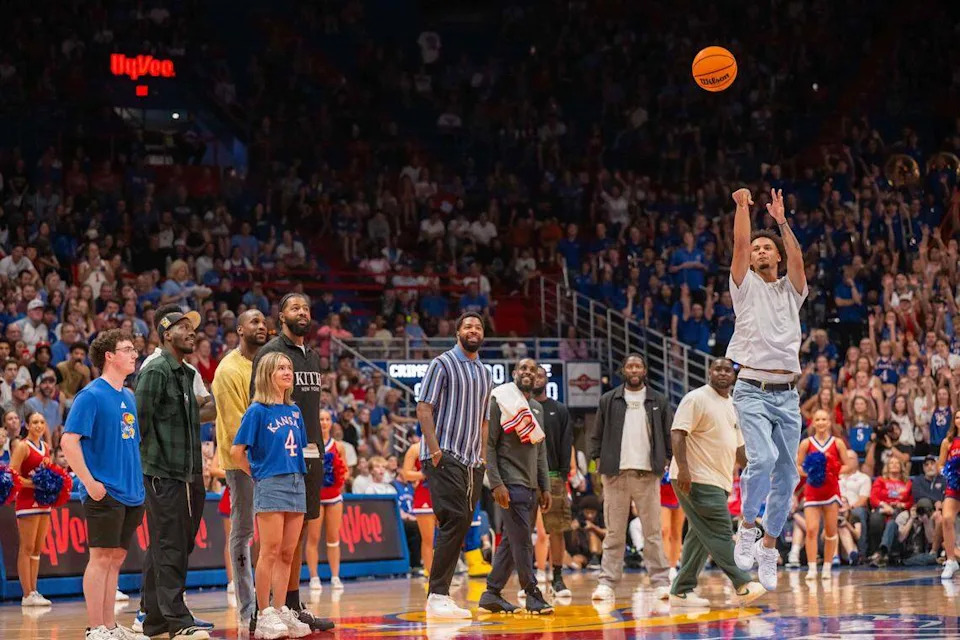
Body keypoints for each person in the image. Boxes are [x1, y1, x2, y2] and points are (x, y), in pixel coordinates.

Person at [727, 188, 808, 592]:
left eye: (766, 248)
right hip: (751, 388)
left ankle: (770, 547)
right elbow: (740, 243)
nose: (759, 251)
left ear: (775, 257)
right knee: (762, 459)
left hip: (787, 393)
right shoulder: (744, 287)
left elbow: (797, 258)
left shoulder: (792, 291)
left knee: (787, 473)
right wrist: (743, 207)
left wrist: (781, 221)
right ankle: (746, 529)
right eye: (756, 248)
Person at [250, 293, 333, 633]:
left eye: (306, 307)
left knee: (295, 538)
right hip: (278, 460)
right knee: (271, 542)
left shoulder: (312, 355)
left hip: (310, 454)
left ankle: (290, 604)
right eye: (295, 307)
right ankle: (262, 609)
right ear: (281, 315)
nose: (302, 312)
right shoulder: (271, 353)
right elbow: (257, 403)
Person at [61, 329, 148, 640]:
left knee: (116, 558)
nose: (134, 354)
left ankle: (110, 626)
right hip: (104, 490)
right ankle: (95, 628)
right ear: (109, 356)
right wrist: (89, 481)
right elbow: (69, 441)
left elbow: (131, 444)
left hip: (131, 492)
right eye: (127, 349)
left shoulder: (128, 396)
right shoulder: (91, 395)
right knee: (100, 558)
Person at [135, 307, 211, 640]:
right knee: (170, 546)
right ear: (166, 333)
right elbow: (139, 421)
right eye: (183, 327)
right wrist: (146, 468)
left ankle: (153, 620)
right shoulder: (156, 369)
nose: (191, 332)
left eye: (192, 328)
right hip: (163, 472)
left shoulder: (184, 372)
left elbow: (210, 408)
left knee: (171, 544)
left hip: (188, 471)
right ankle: (177, 619)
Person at [668, 358, 765, 608]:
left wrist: (758, 469)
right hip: (695, 478)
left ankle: (681, 590)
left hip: (719, 480)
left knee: (699, 535)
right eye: (717, 369)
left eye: (727, 370)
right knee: (720, 529)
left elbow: (739, 448)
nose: (722, 373)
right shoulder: (696, 398)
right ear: (709, 372)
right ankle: (742, 583)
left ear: (734, 376)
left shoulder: (733, 405)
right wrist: (684, 470)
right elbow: (678, 433)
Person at [416, 311, 494, 619]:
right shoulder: (442, 364)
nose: (473, 330)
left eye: (478, 326)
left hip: (473, 460)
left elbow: (485, 420)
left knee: (461, 523)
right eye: (468, 326)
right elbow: (424, 408)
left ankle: (440, 594)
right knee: (456, 518)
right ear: (457, 332)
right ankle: (437, 595)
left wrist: (484, 457)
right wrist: (435, 451)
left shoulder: (486, 373)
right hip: (445, 453)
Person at [231, 352, 312, 640]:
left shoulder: (294, 411)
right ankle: (263, 612)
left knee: (289, 552)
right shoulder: (257, 411)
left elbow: (298, 447)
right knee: (270, 550)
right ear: (267, 374)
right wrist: (257, 474)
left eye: (289, 367)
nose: (287, 372)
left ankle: (280, 609)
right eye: (281, 368)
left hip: (296, 482)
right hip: (271, 483)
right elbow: (236, 451)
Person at [588, 353, 673, 602]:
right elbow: (596, 435)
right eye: (629, 366)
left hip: (648, 474)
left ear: (644, 370)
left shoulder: (658, 400)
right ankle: (607, 583)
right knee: (614, 532)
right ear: (623, 370)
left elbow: (668, 435)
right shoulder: (609, 399)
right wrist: (598, 462)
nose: (634, 370)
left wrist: (666, 459)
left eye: (638, 366)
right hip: (616, 474)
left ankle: (660, 581)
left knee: (653, 532)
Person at [478, 358, 553, 615]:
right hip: (509, 483)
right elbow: (488, 446)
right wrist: (496, 482)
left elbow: (540, 451)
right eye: (523, 369)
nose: (528, 373)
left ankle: (491, 593)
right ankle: (532, 593)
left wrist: (545, 487)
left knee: (512, 541)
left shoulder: (536, 409)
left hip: (531, 484)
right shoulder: (499, 400)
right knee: (523, 541)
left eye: (532, 370)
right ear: (514, 373)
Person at [212, 309, 267, 623]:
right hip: (242, 461)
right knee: (244, 529)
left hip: (271, 461)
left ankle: (272, 601)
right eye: (254, 322)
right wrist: (254, 464)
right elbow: (236, 432)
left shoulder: (267, 362)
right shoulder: (228, 370)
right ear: (239, 330)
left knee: (272, 535)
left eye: (263, 321)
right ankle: (248, 607)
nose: (261, 325)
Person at [532, 365, 574, 598]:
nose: (535, 378)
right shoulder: (522, 409)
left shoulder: (559, 410)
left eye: (540, 375)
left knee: (556, 529)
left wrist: (563, 475)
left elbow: (565, 444)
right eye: (531, 375)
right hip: (526, 478)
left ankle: (558, 578)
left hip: (553, 476)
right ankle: (529, 579)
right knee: (524, 532)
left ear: (546, 380)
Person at [796, 409, 848, 581]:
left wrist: (832, 470)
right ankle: (812, 568)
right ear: (813, 423)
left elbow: (848, 465)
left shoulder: (838, 442)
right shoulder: (806, 443)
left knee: (830, 531)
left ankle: (827, 566)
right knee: (811, 530)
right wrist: (812, 471)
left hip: (831, 491)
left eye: (824, 419)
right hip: (812, 490)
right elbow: (798, 467)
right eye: (817, 419)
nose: (820, 422)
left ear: (829, 422)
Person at [10, 411, 53, 607]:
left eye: (42, 422)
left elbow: (49, 473)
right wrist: (32, 484)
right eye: (34, 422)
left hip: (44, 501)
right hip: (26, 502)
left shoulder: (46, 447)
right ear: (27, 425)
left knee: (37, 548)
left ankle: (34, 591)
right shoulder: (22, 446)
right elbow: (12, 475)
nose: (38, 425)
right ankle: (26, 594)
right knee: (26, 547)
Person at [307, 409, 347, 592]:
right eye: (320, 419)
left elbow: (345, 470)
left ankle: (335, 576)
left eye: (327, 419)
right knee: (313, 538)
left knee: (333, 538)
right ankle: (314, 577)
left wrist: (339, 480)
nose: (323, 422)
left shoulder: (338, 446)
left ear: (331, 423)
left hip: (334, 496)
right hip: (316, 496)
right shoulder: (310, 444)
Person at [402, 439, 435, 576]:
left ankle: (443, 574)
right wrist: (425, 474)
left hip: (443, 495)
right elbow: (406, 474)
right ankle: (432, 575)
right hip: (424, 497)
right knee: (428, 539)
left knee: (445, 540)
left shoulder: (446, 444)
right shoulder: (415, 448)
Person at [938, 414, 960, 580]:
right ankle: (951, 560)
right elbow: (941, 463)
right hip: (955, 485)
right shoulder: (948, 441)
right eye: (958, 417)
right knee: (946, 519)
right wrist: (947, 472)